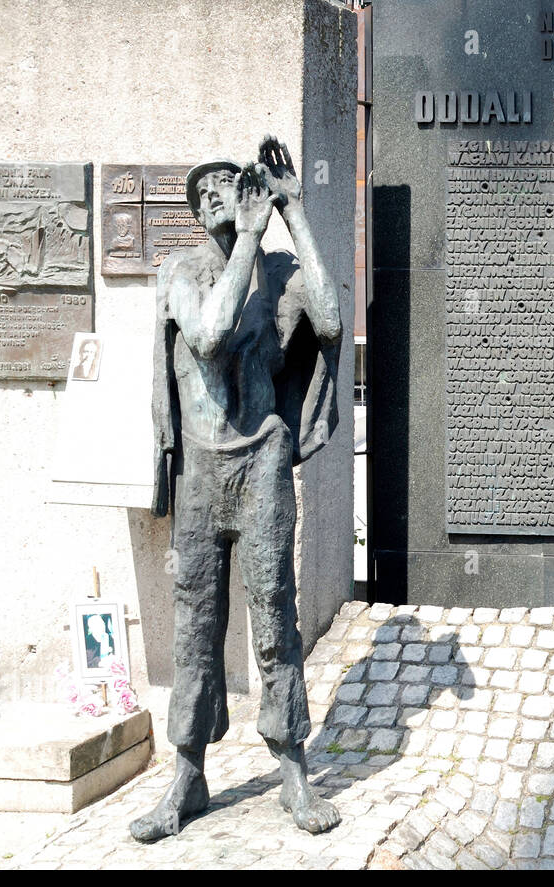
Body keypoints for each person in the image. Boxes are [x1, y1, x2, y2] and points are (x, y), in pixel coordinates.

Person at [132, 136, 342, 841]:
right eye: (203, 193)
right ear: (196, 214)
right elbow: (212, 335)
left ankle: (292, 770)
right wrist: (250, 236)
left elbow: (334, 320)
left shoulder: (277, 270)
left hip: (261, 468)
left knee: (274, 612)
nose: (218, 195)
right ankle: (188, 775)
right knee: (194, 625)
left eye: (228, 183)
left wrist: (294, 210)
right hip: (198, 471)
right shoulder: (183, 272)